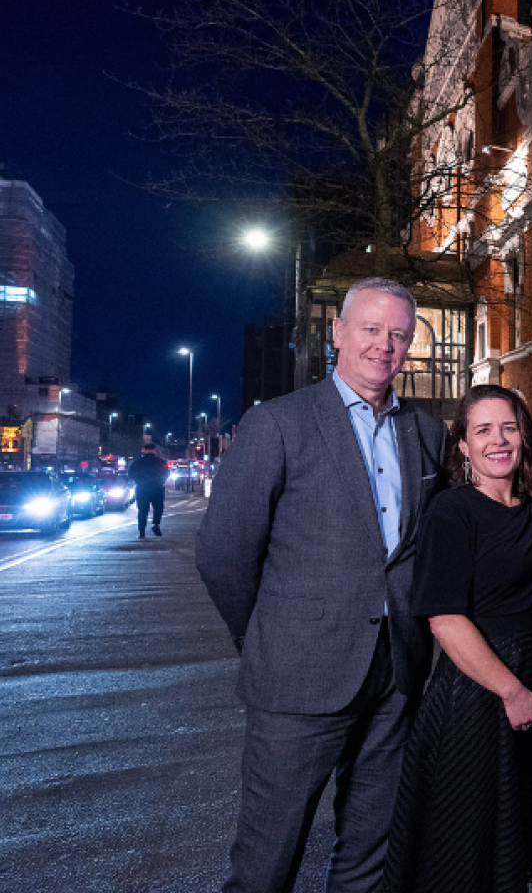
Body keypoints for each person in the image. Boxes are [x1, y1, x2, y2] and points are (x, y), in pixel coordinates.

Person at [196, 277, 447, 893]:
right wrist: (262, 635)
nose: (384, 345)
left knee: (370, 850)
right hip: (296, 677)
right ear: (337, 333)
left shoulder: (425, 432)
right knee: (266, 859)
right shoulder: (278, 424)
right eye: (370, 329)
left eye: (398, 334)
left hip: (395, 675)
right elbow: (224, 553)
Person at [386, 385, 532, 892]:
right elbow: (444, 620)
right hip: (475, 693)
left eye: (509, 427)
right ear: (463, 445)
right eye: (483, 430)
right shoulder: (451, 512)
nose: (498, 440)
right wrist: (511, 692)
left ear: (524, 437)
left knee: (520, 834)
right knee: (467, 844)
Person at [128, 441, 167, 539]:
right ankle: (155, 524)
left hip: (142, 488)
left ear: (144, 450)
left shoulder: (138, 462)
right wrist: (160, 481)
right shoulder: (161, 462)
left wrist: (139, 480)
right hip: (157, 488)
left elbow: (130, 474)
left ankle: (141, 532)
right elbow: (166, 474)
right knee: (158, 508)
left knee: (142, 510)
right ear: (154, 450)